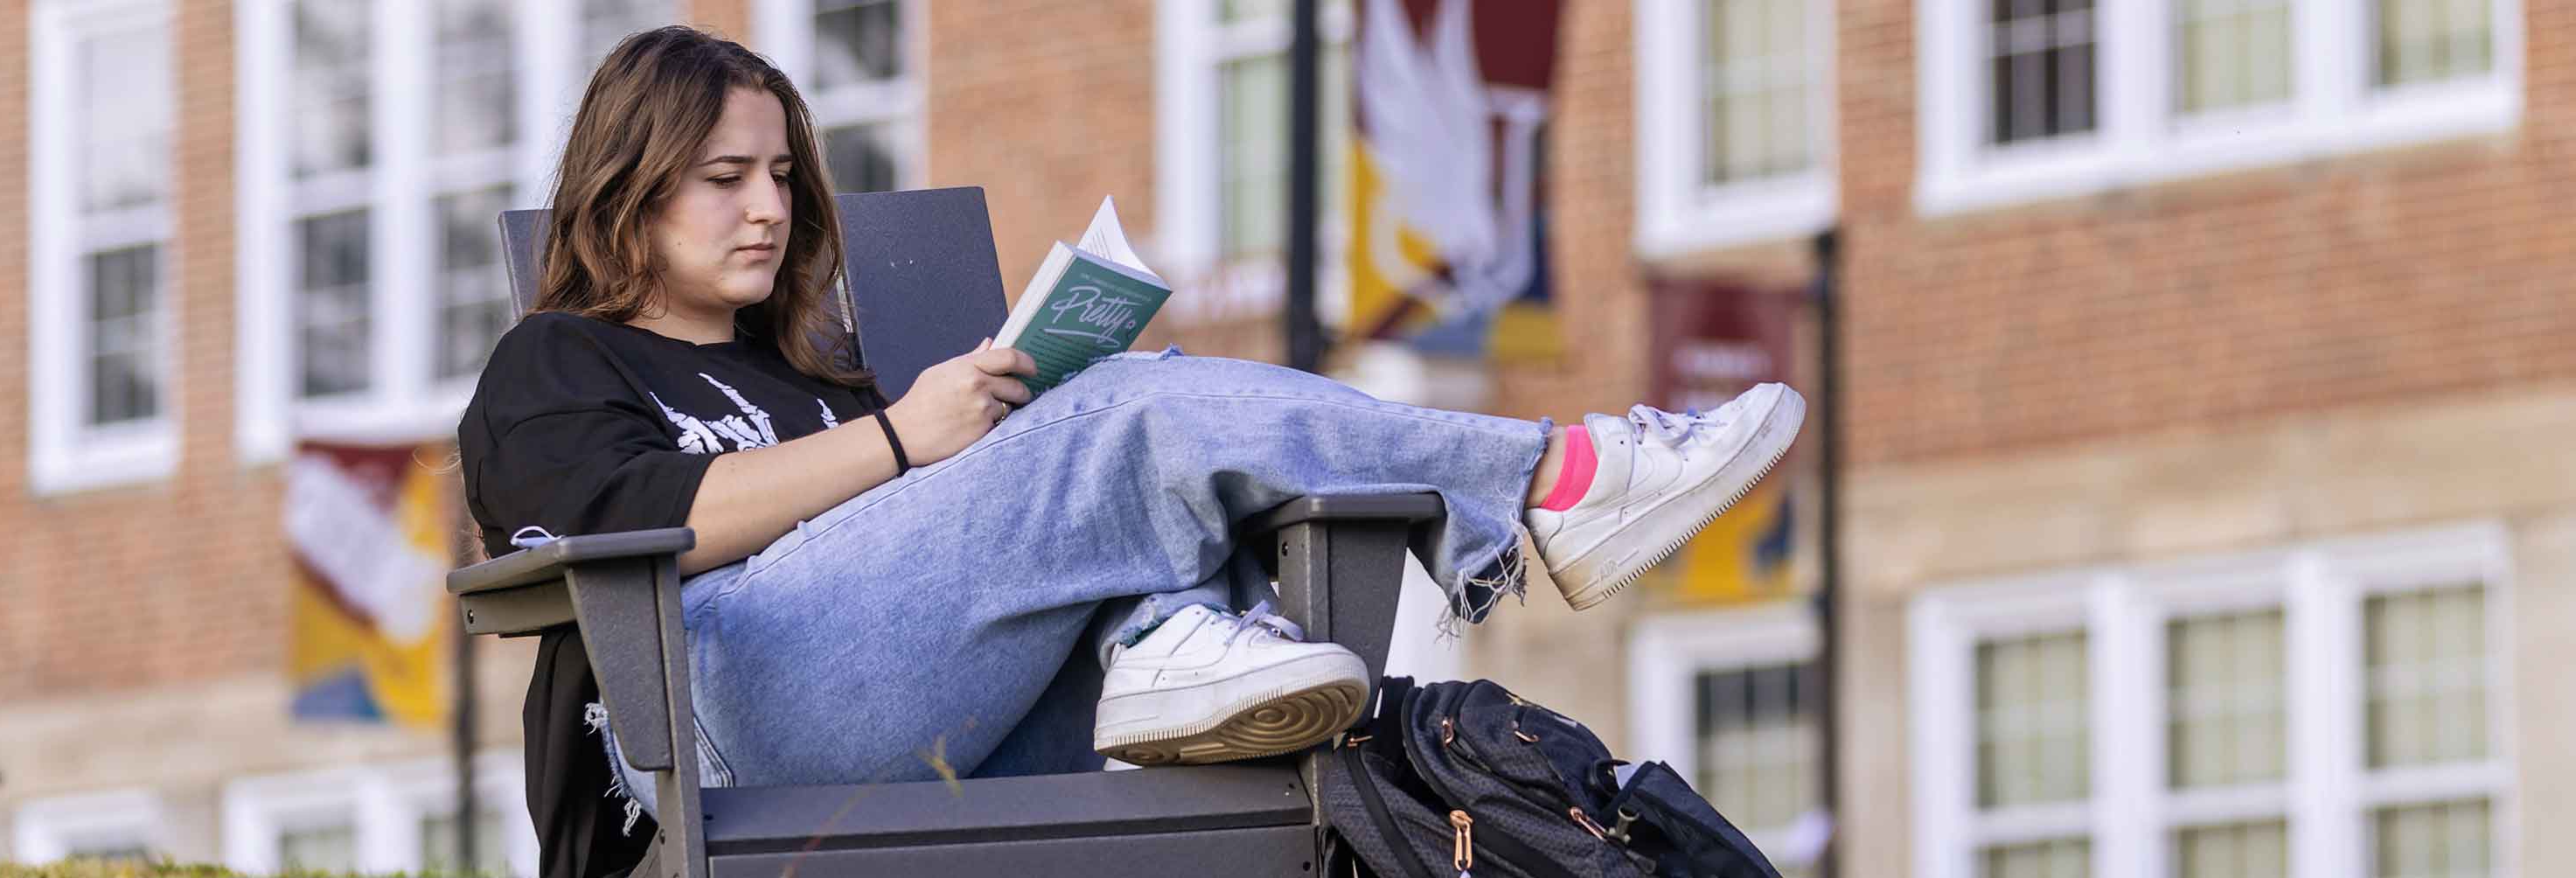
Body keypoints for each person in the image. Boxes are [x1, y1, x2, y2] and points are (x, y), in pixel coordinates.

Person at [456, 26, 1803, 876]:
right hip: (719, 722)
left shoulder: (808, 374)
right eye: (723, 178)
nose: (769, 207)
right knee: (1128, 420)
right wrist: (900, 440)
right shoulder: (558, 363)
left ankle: (1166, 644)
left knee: (1117, 440)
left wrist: (929, 433)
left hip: (923, 715)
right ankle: (1551, 487)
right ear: (629, 184)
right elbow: (634, 518)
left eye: (782, 176)